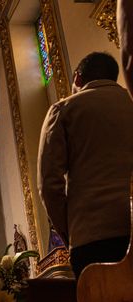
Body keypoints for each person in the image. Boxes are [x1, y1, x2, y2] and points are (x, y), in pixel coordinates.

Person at [37, 51, 133, 278]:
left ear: (78, 78)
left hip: (93, 236)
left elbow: (49, 184)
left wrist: (71, 232)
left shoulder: (63, 110)